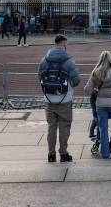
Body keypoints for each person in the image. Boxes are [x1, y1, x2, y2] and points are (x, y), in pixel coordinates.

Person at [38, 35, 81, 163]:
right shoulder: (68, 61)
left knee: (51, 127)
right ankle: (63, 153)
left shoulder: (44, 60)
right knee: (64, 126)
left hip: (48, 99)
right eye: (66, 44)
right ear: (63, 44)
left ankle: (51, 154)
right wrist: (69, 86)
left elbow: (39, 76)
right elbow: (76, 80)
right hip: (64, 99)